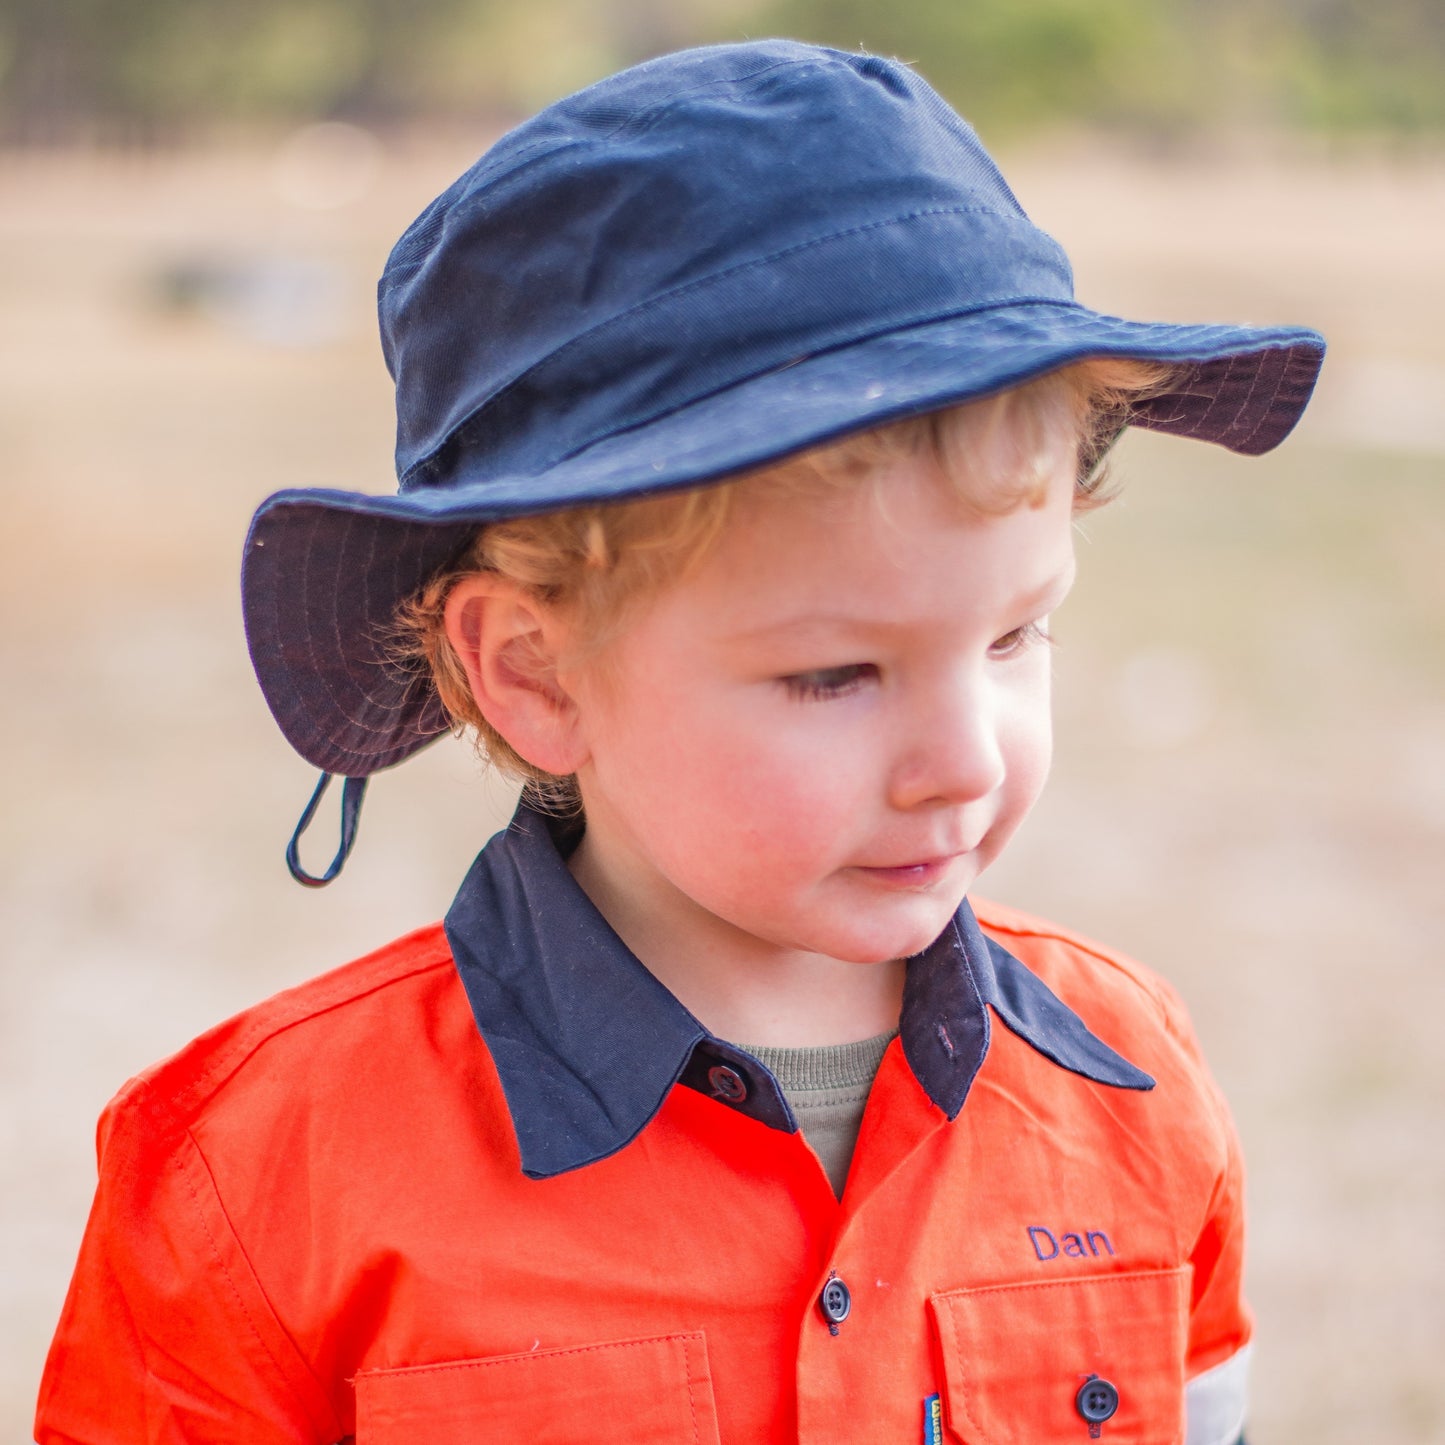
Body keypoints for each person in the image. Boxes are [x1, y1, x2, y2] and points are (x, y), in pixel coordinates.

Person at [35, 39, 1324, 1445]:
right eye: (836, 672)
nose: (964, 757)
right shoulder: (257, 1176)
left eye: (1014, 637)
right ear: (532, 672)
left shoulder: (1129, 1084)